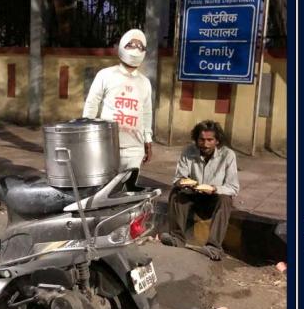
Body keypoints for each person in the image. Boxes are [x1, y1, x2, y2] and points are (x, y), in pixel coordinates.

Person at [161, 120, 240, 260]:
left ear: (217, 141)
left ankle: (214, 247)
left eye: (210, 140)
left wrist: (214, 189)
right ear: (196, 139)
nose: (205, 144)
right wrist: (184, 183)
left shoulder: (228, 155)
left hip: (213, 199)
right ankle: (177, 238)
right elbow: (178, 178)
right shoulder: (188, 151)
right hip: (193, 196)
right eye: (201, 140)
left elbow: (233, 188)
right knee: (176, 193)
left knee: (225, 199)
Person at [83, 29, 153, 179]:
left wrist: (148, 139)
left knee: (128, 188)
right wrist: (87, 133)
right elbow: (92, 104)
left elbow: (147, 112)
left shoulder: (145, 82)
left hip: (135, 148)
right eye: (131, 44)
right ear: (122, 46)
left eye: (139, 45)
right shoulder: (105, 75)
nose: (135, 48)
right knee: (105, 187)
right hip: (107, 144)